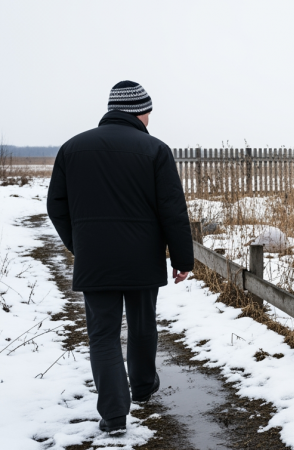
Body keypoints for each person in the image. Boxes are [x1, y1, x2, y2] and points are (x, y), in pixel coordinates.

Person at [47, 81, 194, 434]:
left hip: (95, 259)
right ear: (140, 112)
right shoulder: (156, 150)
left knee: (103, 334)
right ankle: (142, 388)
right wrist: (182, 259)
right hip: (142, 256)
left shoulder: (72, 148)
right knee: (142, 324)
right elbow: (172, 210)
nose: (150, 120)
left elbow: (56, 206)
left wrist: (79, 245)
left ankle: (113, 414)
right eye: (149, 113)